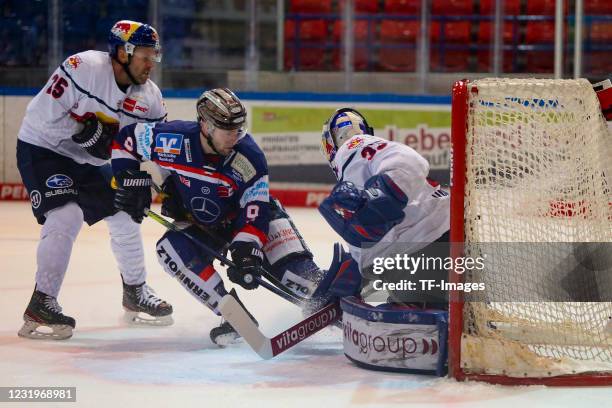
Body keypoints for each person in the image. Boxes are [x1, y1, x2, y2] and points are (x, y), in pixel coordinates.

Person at [16, 20, 173, 340]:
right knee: (67, 213)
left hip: (89, 162)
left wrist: (171, 188)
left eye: (153, 56)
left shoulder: (150, 97)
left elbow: (159, 148)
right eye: (143, 56)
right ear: (120, 52)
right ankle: (41, 302)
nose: (150, 64)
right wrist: (84, 132)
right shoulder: (83, 67)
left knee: (125, 213)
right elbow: (44, 113)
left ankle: (135, 290)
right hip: (43, 148)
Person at [318, 108, 450, 307]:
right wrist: (354, 267)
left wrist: (381, 198)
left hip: (426, 248)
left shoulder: (351, 147)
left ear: (329, 145)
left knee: (407, 330)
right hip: (450, 241)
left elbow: (410, 163)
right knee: (466, 329)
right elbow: (372, 233)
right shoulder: (364, 166)